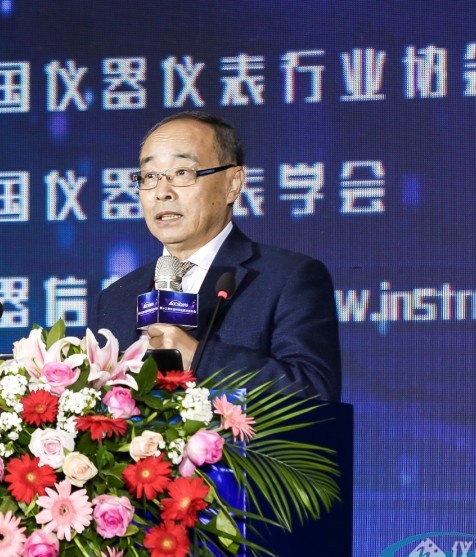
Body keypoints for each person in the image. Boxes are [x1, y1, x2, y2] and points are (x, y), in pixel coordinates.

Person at [92, 111, 341, 403]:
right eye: (149, 176)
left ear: (232, 184)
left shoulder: (288, 278)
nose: (162, 192)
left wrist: (199, 357)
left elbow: (314, 391)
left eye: (182, 173)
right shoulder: (118, 297)